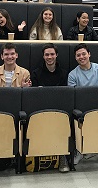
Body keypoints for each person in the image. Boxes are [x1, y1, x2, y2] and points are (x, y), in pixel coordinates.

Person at [30, 43, 70, 172]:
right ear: (43, 56)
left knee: (62, 121)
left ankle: (63, 156)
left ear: (56, 55)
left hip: (59, 110)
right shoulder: (35, 73)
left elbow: (65, 96)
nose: (49, 57)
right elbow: (34, 96)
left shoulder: (64, 73)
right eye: (47, 54)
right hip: (40, 110)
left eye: (52, 54)